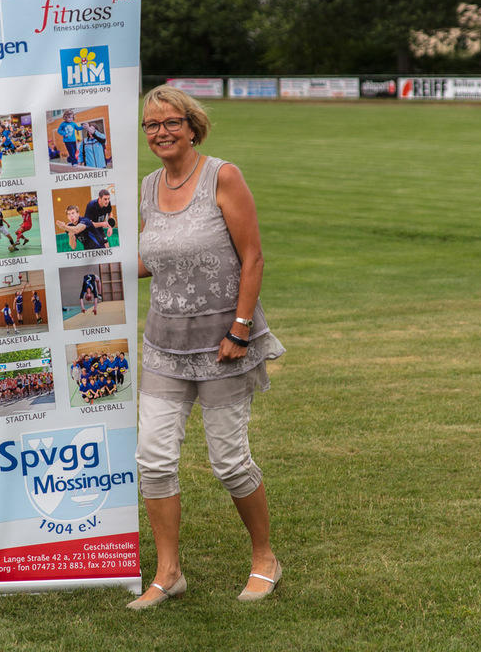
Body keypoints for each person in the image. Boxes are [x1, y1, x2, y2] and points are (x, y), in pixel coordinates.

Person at [128, 85, 285, 610]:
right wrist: (82, 260)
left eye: (171, 122)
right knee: (153, 459)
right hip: (164, 345)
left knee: (230, 461)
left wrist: (240, 329)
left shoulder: (223, 176)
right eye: (152, 125)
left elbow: (253, 256)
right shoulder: (148, 187)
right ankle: (168, 573)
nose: (162, 132)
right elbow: (153, 258)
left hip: (223, 346)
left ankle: (265, 558)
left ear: (193, 127)